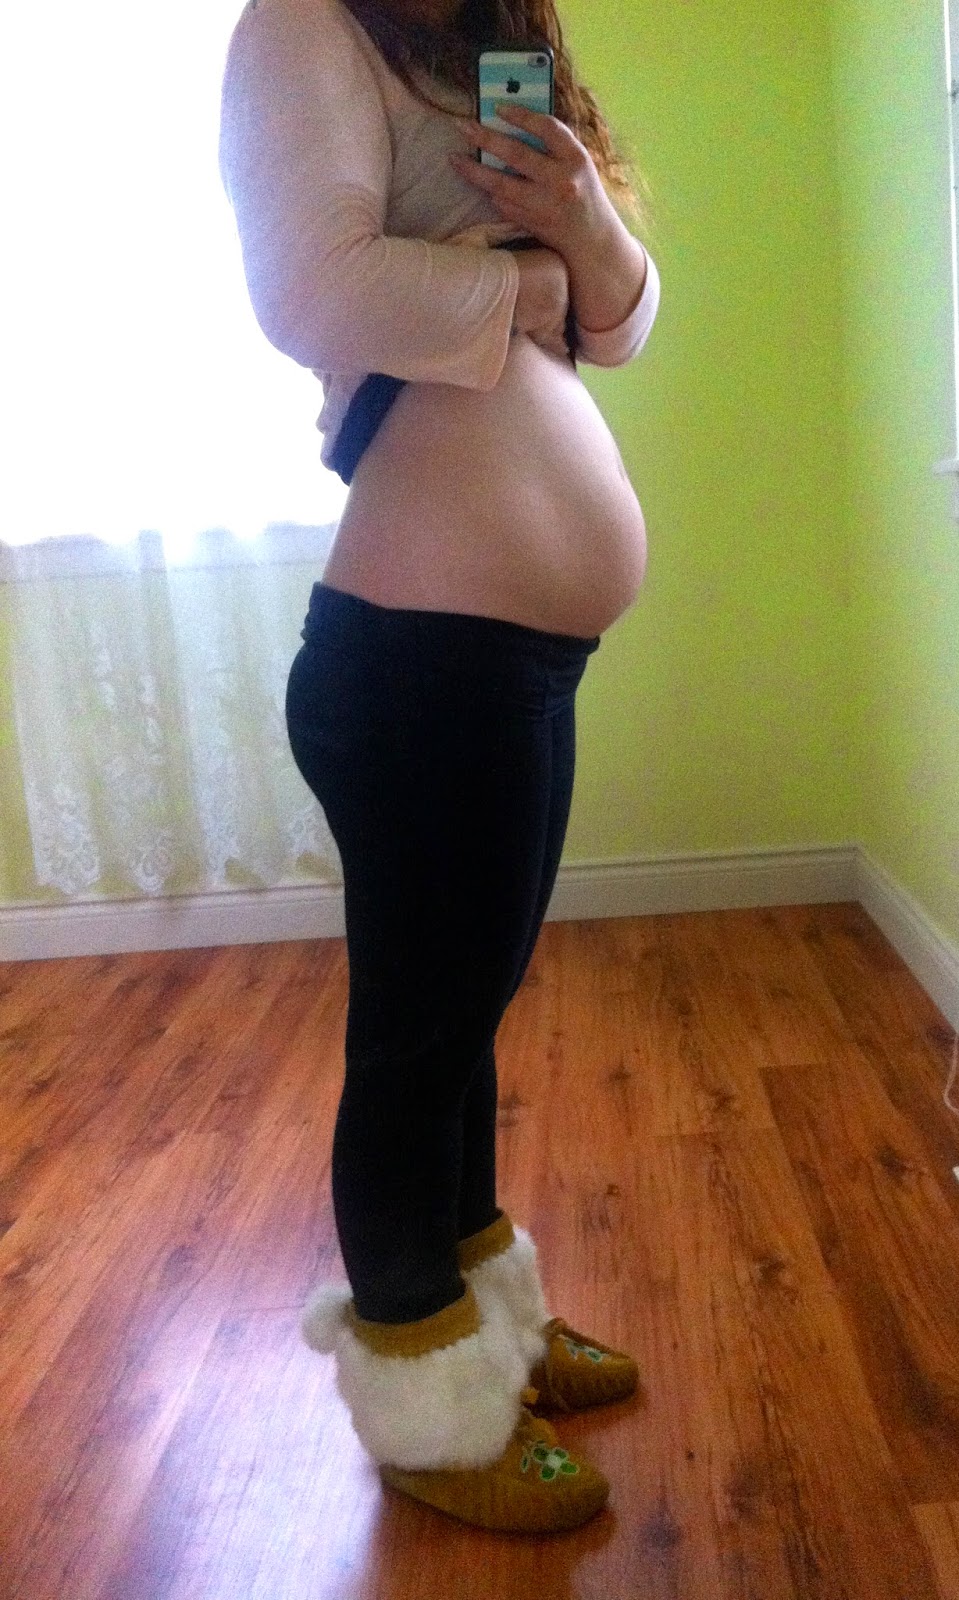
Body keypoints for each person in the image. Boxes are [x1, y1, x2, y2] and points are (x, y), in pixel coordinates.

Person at [218, 0, 660, 1535]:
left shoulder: (494, 36)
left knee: (461, 1022)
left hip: (511, 657)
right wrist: (529, 281)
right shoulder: (306, 23)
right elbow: (310, 287)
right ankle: (427, 1406)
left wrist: (585, 225)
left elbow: (620, 326)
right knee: (417, 1049)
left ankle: (497, 1336)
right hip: (419, 664)